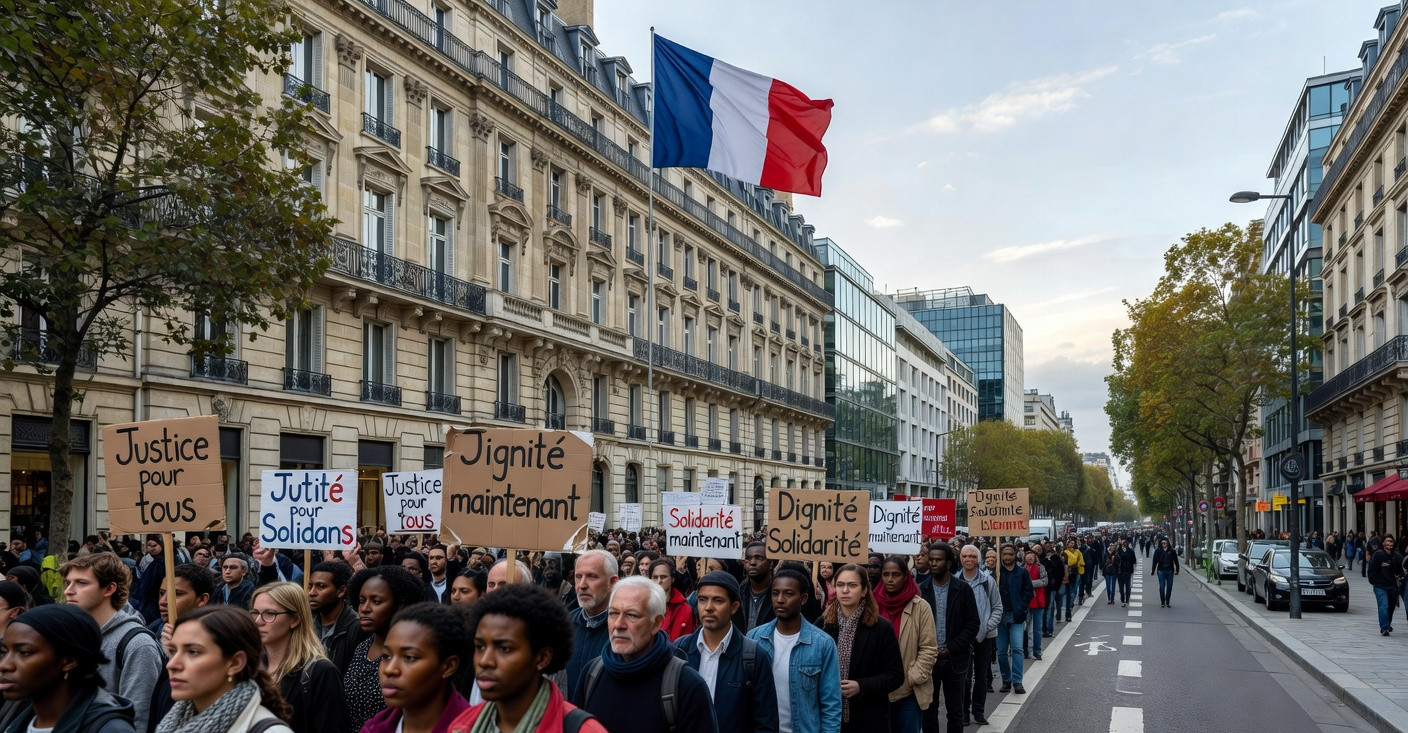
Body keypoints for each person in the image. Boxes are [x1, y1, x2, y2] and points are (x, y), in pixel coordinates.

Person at [451, 583, 608, 733]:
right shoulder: (463, 724)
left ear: (542, 658)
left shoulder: (581, 729)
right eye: (480, 647)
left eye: (504, 648)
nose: (484, 661)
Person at [575, 577, 717, 733]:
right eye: (613, 613)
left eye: (632, 615)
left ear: (656, 623)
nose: (618, 624)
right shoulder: (592, 674)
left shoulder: (687, 685)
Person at [61, 552, 163, 733]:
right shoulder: (71, 635)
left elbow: (137, 717)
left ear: (109, 589)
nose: (68, 590)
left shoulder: (137, 644)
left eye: (81, 583)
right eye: (68, 582)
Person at [0, 604, 135, 733]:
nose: (4, 665)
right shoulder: (14, 724)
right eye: (4, 652)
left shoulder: (110, 729)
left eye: (24, 652)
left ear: (69, 661)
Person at [156, 605, 293, 733]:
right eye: (173, 651)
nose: (172, 664)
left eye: (193, 652)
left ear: (235, 663)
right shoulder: (174, 721)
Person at [674, 570, 778, 733]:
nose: (708, 607)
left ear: (734, 606)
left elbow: (765, 723)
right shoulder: (680, 650)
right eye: (702, 600)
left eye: (718, 600)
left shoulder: (753, 655)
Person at [748, 569, 842, 733]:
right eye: (775, 593)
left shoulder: (823, 644)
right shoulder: (754, 638)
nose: (780, 600)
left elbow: (831, 705)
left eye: (788, 594)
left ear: (803, 598)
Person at [249, 583, 348, 733]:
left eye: (269, 613)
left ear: (295, 620)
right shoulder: (251, 667)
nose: (258, 621)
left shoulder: (320, 672)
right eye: (255, 612)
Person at [343, 566, 431, 730]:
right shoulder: (361, 647)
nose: (365, 608)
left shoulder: (412, 653)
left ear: (401, 606)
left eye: (376, 601)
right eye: (362, 601)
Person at [359, 603, 469, 733]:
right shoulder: (374, 728)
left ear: (448, 666)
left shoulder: (475, 728)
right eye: (386, 656)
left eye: (409, 657)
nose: (389, 670)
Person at [819, 564, 902, 733]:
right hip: (829, 717)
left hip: (868, 717)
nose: (845, 590)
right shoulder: (822, 625)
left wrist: (861, 686)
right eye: (840, 585)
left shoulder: (881, 627)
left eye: (852, 585)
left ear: (864, 590)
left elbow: (895, 675)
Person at [917, 543, 978, 733]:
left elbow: (972, 624)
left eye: (938, 560)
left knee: (955, 712)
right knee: (928, 711)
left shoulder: (963, 589)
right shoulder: (921, 590)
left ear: (949, 563)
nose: (933, 563)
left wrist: (951, 646)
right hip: (928, 660)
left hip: (955, 659)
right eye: (931, 559)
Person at [875, 558, 936, 733]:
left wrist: (911, 678)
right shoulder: (872, 605)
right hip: (877, 689)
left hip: (908, 692)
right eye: (886, 574)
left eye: (895, 575)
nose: (890, 579)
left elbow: (929, 648)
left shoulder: (921, 607)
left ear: (906, 577)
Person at [563, 550, 618, 702]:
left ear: (612, 582)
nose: (582, 585)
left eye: (592, 577)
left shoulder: (623, 630)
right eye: (578, 576)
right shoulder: (563, 625)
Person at [954, 545, 999, 727]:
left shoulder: (988, 581)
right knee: (963, 677)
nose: (969, 559)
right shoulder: (955, 580)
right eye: (965, 556)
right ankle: (964, 712)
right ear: (960, 558)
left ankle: (978, 711)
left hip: (984, 637)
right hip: (962, 639)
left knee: (981, 677)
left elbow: (997, 607)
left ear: (978, 558)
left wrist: (987, 626)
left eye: (972, 556)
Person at [305, 561, 367, 674]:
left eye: (321, 586)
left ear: (341, 591)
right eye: (310, 586)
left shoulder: (357, 629)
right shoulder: (306, 623)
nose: (312, 593)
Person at [994, 545, 1033, 696]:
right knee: (1001, 651)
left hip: (1016, 616)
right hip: (1000, 617)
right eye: (1005, 554)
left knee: (1017, 649)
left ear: (1015, 555)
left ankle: (1017, 681)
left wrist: (1021, 606)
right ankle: (1006, 680)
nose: (1008, 557)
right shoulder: (997, 573)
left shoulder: (1022, 572)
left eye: (1010, 554)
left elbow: (1028, 591)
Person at [151, 562, 213, 638]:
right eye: (162, 593)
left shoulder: (214, 638)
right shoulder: (155, 627)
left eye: (176, 594)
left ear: (202, 599)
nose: (162, 601)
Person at [649, 559, 697, 641]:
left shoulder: (685, 609)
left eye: (663, 577)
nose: (659, 581)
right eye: (655, 577)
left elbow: (688, 642)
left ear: (672, 579)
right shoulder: (643, 606)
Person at [1368, 535, 1403, 636]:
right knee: (1384, 606)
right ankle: (1384, 628)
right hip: (1380, 586)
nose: (1390, 543)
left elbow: (1401, 569)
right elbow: (1371, 570)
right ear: (1383, 543)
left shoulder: (1397, 556)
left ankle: (1387, 624)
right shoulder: (1378, 555)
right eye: (1388, 541)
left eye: (1391, 541)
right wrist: (1374, 581)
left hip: (1393, 587)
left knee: (1391, 608)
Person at [1023, 551, 1048, 661]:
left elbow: (1044, 581)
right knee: (1025, 628)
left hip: (1038, 600)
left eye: (1032, 558)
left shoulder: (1040, 567)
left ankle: (1037, 651)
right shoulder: (1021, 568)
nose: (1030, 560)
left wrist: (1029, 583)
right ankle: (1025, 650)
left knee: (1037, 628)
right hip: (1025, 602)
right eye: (1028, 558)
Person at [1150, 539, 1179, 608]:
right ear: (1161, 544)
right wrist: (1153, 570)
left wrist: (1177, 569)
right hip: (1161, 570)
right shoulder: (1158, 551)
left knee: (1169, 587)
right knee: (1162, 587)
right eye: (1163, 543)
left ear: (1168, 543)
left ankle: (1167, 601)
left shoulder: (1172, 551)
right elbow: (1155, 561)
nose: (1164, 544)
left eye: (1165, 543)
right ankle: (1162, 602)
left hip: (1170, 570)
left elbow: (1176, 561)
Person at [1115, 538, 1138, 607]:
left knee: (1128, 586)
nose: (1123, 545)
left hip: (1128, 571)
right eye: (1122, 543)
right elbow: (1116, 561)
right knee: (1121, 587)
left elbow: (1134, 560)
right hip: (1120, 571)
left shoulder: (1130, 551)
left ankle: (1127, 599)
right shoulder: (1118, 552)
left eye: (1124, 543)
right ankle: (1122, 600)